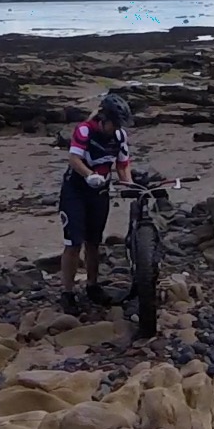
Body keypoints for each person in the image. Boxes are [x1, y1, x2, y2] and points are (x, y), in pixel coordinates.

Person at [58, 92, 134, 309]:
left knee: (94, 242)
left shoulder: (120, 136)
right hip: (76, 191)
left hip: (99, 193)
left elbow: (122, 164)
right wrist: (88, 174)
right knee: (73, 242)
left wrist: (127, 185)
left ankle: (93, 285)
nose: (116, 129)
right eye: (114, 124)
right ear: (103, 120)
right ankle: (68, 292)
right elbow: (74, 159)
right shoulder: (84, 130)